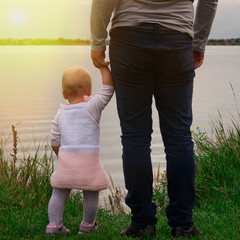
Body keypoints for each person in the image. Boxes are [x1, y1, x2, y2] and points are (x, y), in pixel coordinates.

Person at [90, 0, 218, 239]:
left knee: (135, 137)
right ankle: (182, 224)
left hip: (129, 39)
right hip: (177, 39)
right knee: (179, 137)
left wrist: (97, 42)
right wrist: (198, 42)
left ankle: (142, 224)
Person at [46, 66, 114, 234]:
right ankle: (87, 226)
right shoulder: (92, 107)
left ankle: (54, 225)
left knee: (58, 193)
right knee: (91, 193)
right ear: (89, 90)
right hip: (89, 163)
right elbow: (108, 89)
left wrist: (62, 156)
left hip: (66, 161)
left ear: (64, 93)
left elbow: (54, 139)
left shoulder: (60, 113)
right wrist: (104, 67)